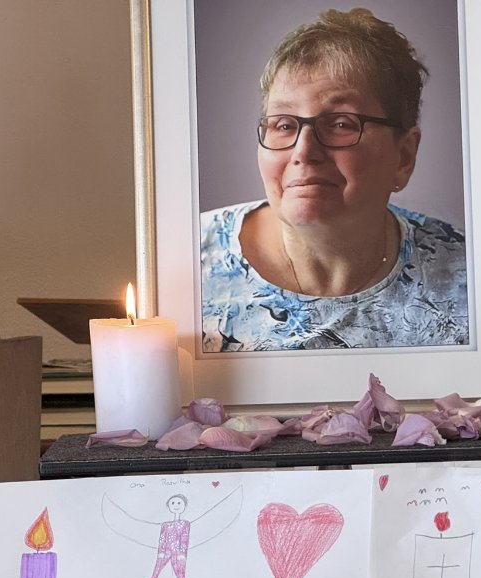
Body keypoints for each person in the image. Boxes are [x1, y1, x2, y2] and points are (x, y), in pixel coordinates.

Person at [200, 8, 467, 352]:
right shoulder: (182, 263)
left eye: (341, 124)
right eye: (284, 125)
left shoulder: (471, 277)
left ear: (403, 156)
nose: (304, 151)